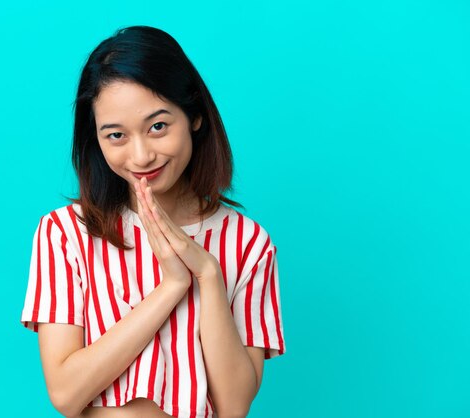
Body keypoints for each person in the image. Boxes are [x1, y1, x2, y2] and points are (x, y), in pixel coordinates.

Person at [19, 25, 286, 418]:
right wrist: (172, 286)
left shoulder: (248, 243)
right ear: (96, 139)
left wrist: (208, 275)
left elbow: (233, 407)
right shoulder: (65, 233)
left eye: (158, 126)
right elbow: (66, 392)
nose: (141, 156)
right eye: (116, 136)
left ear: (194, 116)